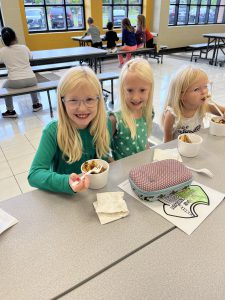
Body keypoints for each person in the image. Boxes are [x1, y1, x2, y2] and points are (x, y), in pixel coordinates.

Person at [28, 66, 112, 194]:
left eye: (89, 99)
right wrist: (66, 182)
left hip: (95, 193)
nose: (82, 108)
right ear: (63, 102)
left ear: (99, 100)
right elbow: (34, 175)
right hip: (65, 197)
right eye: (73, 100)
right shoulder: (52, 132)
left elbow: (103, 158)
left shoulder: (104, 124)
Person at [161, 65, 225, 142]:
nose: (204, 92)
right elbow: (167, 141)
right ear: (181, 95)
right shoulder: (172, 114)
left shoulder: (205, 105)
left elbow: (223, 111)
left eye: (205, 86)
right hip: (179, 150)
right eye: (196, 89)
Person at [109, 58, 154, 160]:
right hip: (123, 174)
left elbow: (144, 142)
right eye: (130, 90)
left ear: (150, 89)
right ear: (122, 89)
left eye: (142, 90)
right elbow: (101, 150)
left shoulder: (148, 112)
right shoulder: (115, 120)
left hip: (142, 169)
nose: (136, 97)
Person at [0, 27, 42, 118]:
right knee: (32, 85)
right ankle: (36, 104)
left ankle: (10, 111)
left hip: (15, 81)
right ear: (15, 36)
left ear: (3, 40)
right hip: (31, 79)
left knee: (4, 87)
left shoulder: (2, 51)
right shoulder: (24, 47)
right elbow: (31, 58)